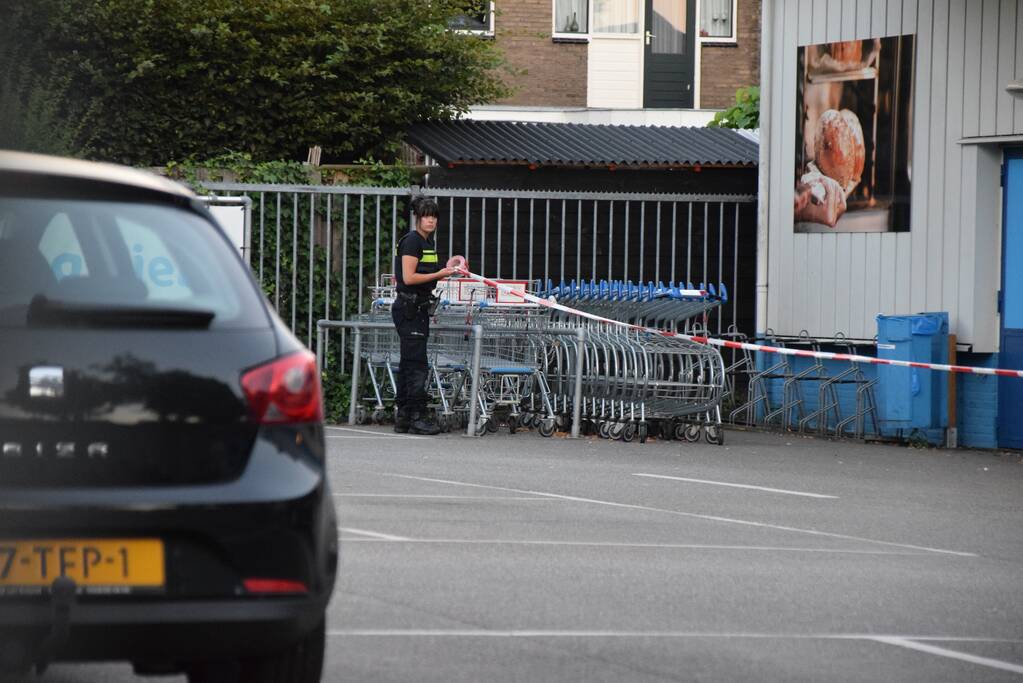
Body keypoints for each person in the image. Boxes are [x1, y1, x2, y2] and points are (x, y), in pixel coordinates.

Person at [392, 196, 458, 434]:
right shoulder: (412, 241)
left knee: (409, 362)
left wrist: (444, 273)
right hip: (409, 308)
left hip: (418, 308)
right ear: (418, 218)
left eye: (434, 216)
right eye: (426, 216)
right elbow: (408, 278)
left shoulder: (427, 242)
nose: (430, 220)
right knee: (417, 364)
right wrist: (440, 273)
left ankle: (405, 415)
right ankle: (417, 415)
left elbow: (425, 274)